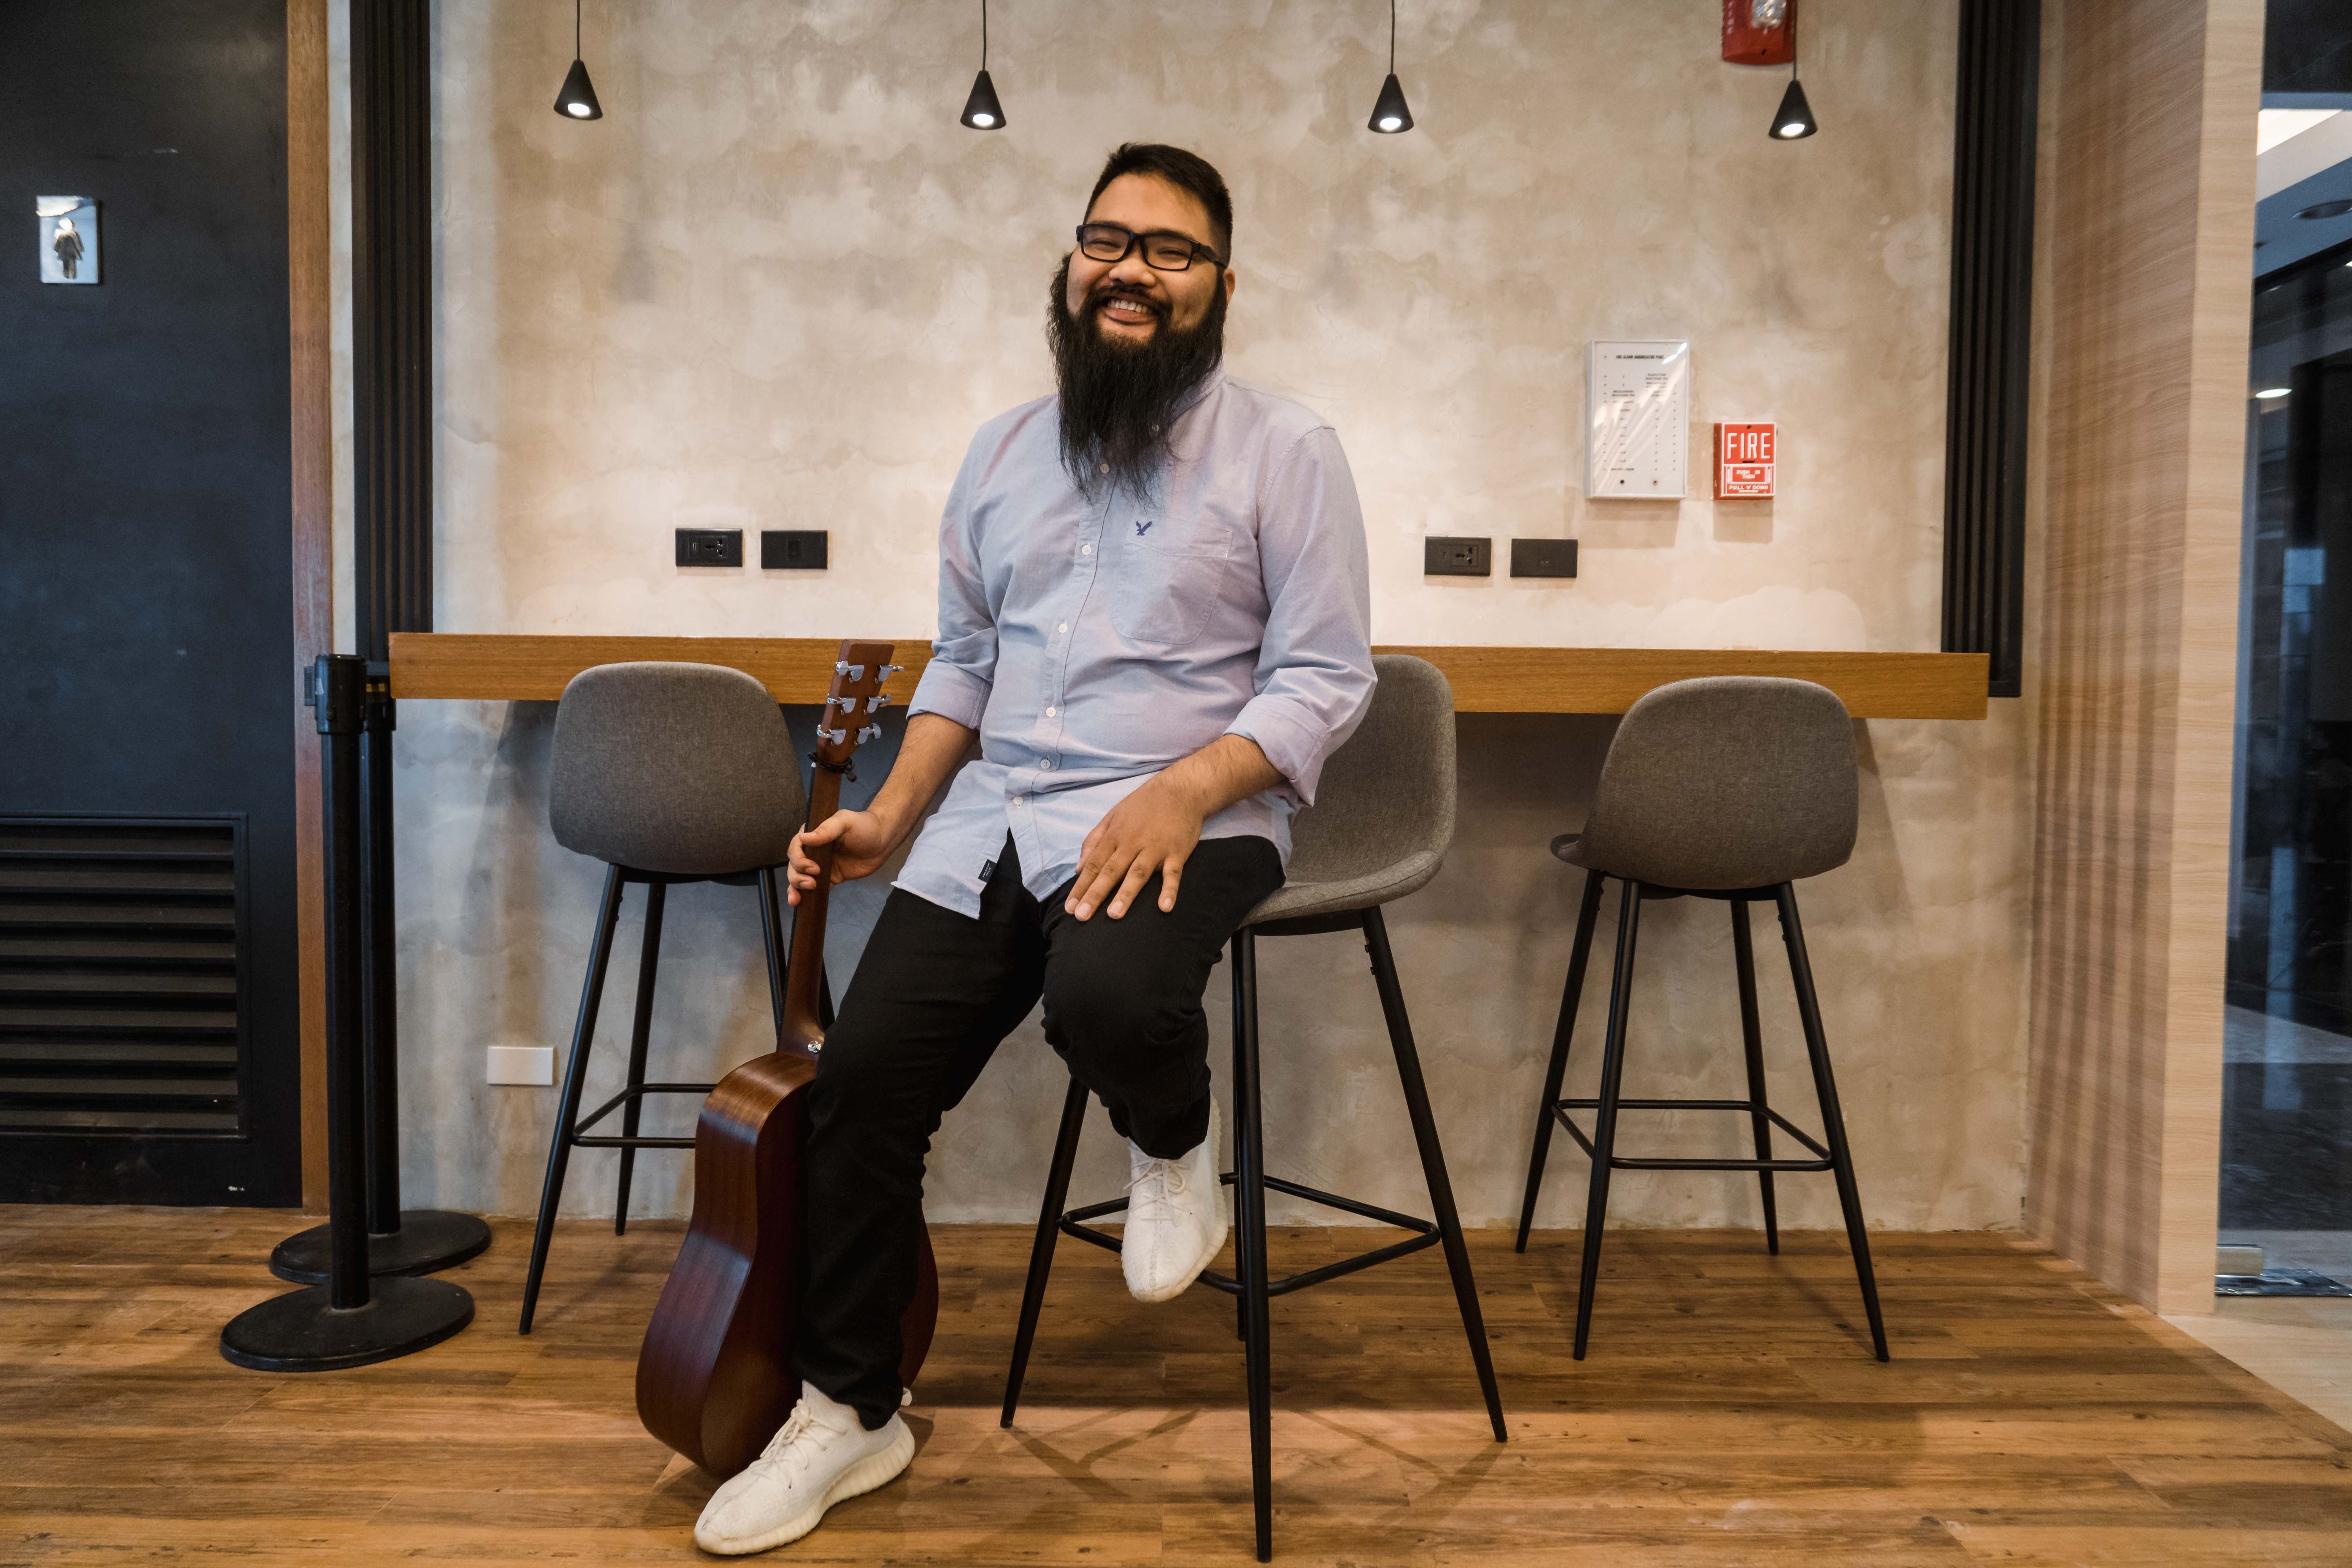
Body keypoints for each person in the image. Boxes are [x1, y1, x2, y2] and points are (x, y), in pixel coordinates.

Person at [692, 143, 1374, 1556]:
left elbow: (1324, 676)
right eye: (1106, 240)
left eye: (1170, 250)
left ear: (1221, 284)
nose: (1131, 269)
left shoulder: (1287, 450)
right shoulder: (998, 452)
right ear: (1071, 267)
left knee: (1106, 997)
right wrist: (892, 813)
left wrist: (1184, 788)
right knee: (860, 1084)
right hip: (998, 814)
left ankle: (1172, 1143)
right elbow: (965, 658)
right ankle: (850, 1406)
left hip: (1194, 809)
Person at [52, 216, 83, 280]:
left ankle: (67, 275)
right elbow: (77, 243)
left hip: (64, 253)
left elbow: (58, 244)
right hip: (72, 253)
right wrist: (80, 248)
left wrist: (56, 248)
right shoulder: (73, 234)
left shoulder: (62, 235)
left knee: (66, 264)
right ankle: (71, 275)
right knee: (71, 264)